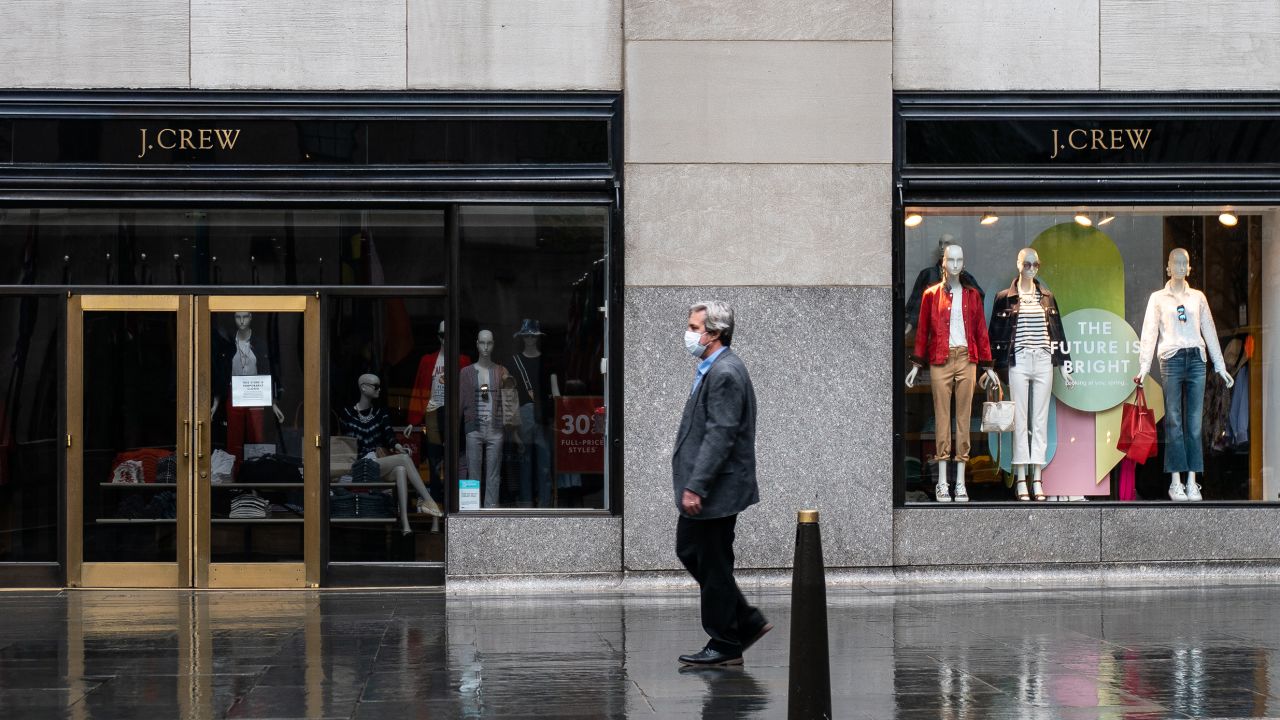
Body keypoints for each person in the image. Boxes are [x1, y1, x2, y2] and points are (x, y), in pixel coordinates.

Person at [673, 301, 771, 667]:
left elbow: (721, 434)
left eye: (694, 327)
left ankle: (725, 642)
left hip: (717, 490)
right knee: (692, 551)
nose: (689, 334)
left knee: (712, 562)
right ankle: (744, 622)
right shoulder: (712, 368)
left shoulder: (725, 372)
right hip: (713, 487)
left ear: (713, 333)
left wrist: (696, 485)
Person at [339, 373, 442, 534]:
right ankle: (429, 502)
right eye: (376, 386)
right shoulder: (347, 413)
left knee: (401, 469)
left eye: (380, 386)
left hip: (377, 465)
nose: (379, 389)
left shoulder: (381, 413)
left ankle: (405, 523)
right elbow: (348, 444)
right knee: (403, 459)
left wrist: (400, 447)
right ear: (363, 387)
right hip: (359, 467)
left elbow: (390, 437)